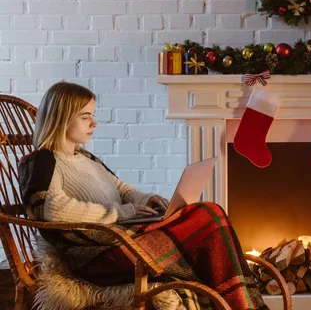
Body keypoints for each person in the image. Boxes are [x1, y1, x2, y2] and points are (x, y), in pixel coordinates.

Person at [18, 81, 268, 310]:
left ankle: (238, 303)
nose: (94, 123)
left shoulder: (86, 158)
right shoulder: (41, 161)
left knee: (206, 218)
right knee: (208, 215)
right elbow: (50, 208)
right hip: (98, 256)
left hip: (124, 241)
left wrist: (144, 199)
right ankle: (245, 305)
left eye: (93, 115)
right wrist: (123, 212)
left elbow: (121, 188)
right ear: (61, 119)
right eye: (85, 117)